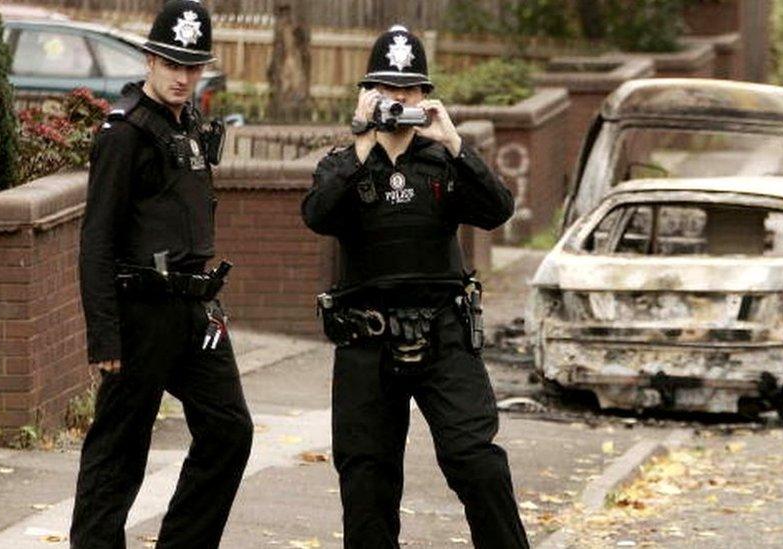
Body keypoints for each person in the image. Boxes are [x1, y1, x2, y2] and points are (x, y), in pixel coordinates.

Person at [301, 25, 530, 549]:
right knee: (367, 479)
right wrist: (362, 144)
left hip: (444, 334)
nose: (397, 99)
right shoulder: (344, 165)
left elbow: (498, 211)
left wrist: (454, 143)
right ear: (367, 94)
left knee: (476, 460)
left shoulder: (443, 163)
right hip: (366, 341)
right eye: (386, 89)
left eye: (408, 90)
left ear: (424, 96)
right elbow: (316, 215)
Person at [72, 1, 252, 547]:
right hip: (140, 312)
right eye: (172, 63)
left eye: (192, 66)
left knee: (229, 430)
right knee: (120, 452)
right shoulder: (124, 134)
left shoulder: (191, 125)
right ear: (150, 59)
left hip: (195, 311)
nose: (182, 76)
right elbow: (96, 238)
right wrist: (104, 334)